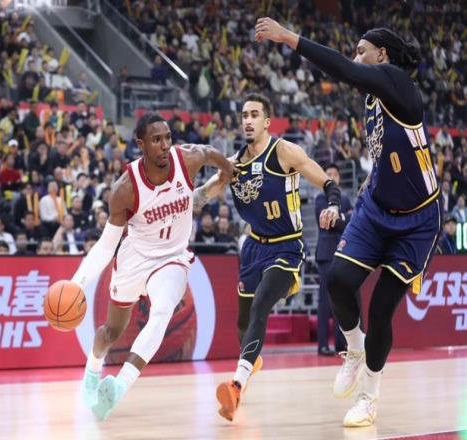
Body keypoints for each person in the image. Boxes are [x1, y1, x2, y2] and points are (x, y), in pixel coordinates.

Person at [255, 19, 441, 427]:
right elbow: (385, 158)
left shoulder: (397, 84)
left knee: (381, 309)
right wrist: (364, 192)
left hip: (417, 220)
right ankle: (354, 349)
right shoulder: (372, 102)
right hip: (376, 208)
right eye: (354, 52)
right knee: (338, 279)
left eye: (361, 51)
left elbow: (342, 70)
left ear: (382, 55)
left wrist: (290, 38)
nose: (355, 58)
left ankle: (369, 397)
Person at [71, 112, 235, 421]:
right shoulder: (125, 189)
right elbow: (106, 246)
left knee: (161, 312)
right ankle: (91, 374)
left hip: (171, 258)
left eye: (167, 138)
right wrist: (77, 283)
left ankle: (119, 386)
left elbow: (210, 153)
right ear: (141, 144)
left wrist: (227, 169)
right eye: (156, 140)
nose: (164, 145)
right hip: (135, 258)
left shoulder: (186, 159)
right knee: (110, 332)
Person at [195, 93, 341, 422]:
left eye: (254, 115)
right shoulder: (232, 165)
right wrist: (173, 202)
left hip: (286, 247)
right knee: (243, 324)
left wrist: (333, 201)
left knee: (261, 304)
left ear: (267, 121)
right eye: (244, 115)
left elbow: (325, 180)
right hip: (253, 248)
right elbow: (202, 196)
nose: (247, 120)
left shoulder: (283, 151)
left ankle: (236, 385)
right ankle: (251, 361)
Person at [315, 164, 354, 356]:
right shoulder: (320, 198)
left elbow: (352, 222)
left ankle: (341, 344)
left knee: (341, 299)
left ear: (339, 178)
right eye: (328, 174)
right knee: (325, 301)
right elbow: (328, 223)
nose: (331, 176)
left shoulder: (345, 198)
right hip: (325, 254)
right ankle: (322, 344)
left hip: (342, 252)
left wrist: (341, 219)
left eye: (334, 174)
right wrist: (343, 218)